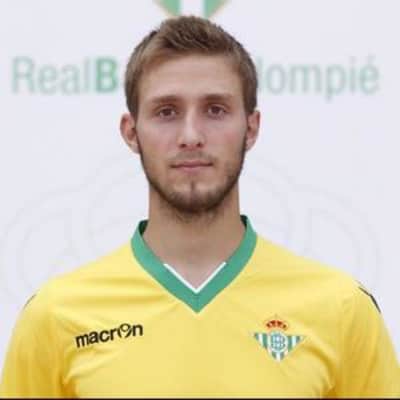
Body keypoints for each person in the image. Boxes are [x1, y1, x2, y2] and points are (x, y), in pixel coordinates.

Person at [0, 16, 399, 398]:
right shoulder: (56, 316)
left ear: (251, 128)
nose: (191, 135)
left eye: (215, 109)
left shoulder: (341, 310)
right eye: (167, 112)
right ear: (131, 132)